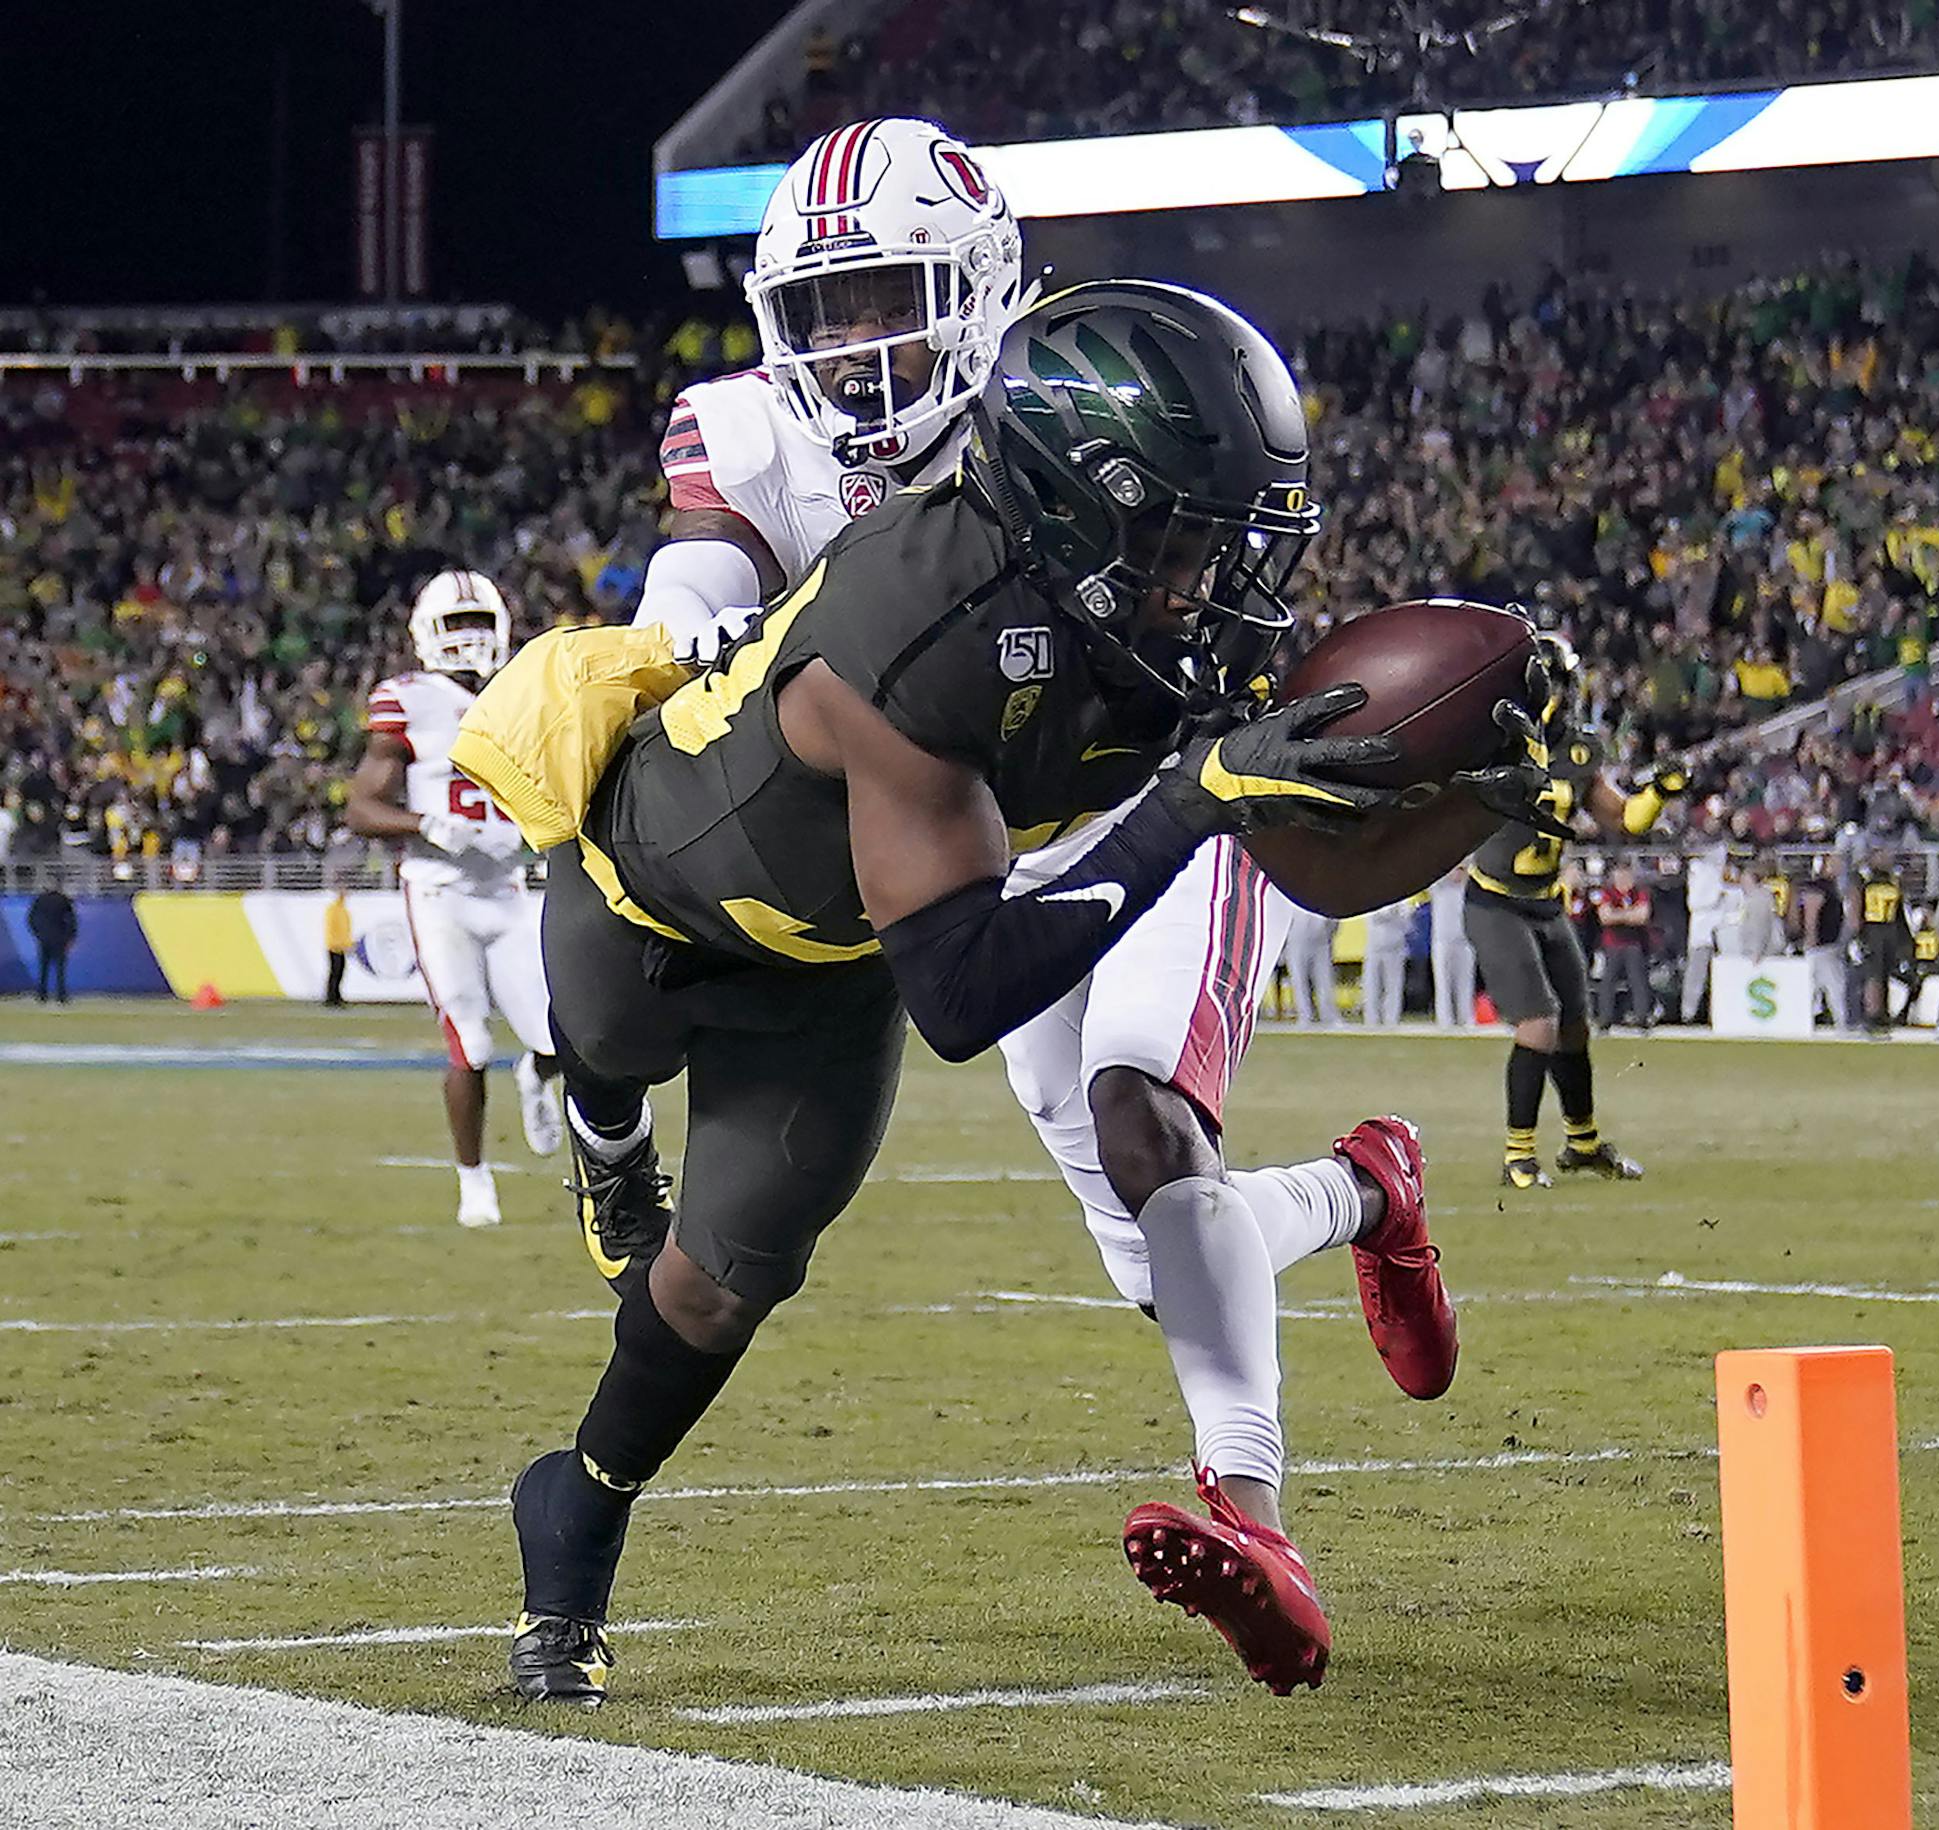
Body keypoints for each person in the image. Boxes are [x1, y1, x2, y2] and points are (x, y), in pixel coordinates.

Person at [452, 279, 1548, 1707]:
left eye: (1235, 542)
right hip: (648, 885)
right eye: (1184, 541)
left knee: (719, 1290)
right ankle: (606, 1142)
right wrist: (1194, 800)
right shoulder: (913, 628)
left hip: (838, 962)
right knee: (602, 1041)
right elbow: (965, 996)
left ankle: (576, 1510)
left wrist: (1469, 801)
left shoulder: (1137, 620)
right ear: (1080, 513)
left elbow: (1299, 852)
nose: (1215, 582)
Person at [345, 570, 565, 1229]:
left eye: (479, 623)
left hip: (509, 890)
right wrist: (426, 825)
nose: (470, 639)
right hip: (440, 892)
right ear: (426, 634)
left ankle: (536, 1073)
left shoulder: (523, 692)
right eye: (456, 625)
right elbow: (361, 807)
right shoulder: (408, 700)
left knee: (565, 1036)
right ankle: (475, 1181)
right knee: (469, 1041)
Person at [1463, 636, 1688, 1189]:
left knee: (1573, 1027)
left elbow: (1626, 819)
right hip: (1496, 899)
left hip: (1545, 902)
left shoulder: (1578, 749)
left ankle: (1582, 1143)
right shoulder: (1490, 742)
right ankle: (1519, 1155)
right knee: (1538, 1023)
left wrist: (1659, 792)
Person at [1591, 857, 1653, 1028]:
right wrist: (1629, 914)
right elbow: (1605, 917)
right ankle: (1605, 1018)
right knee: (1608, 982)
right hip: (1612, 944)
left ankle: (1641, 1017)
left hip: (1634, 943)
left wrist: (1618, 914)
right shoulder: (1607, 892)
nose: (1623, 877)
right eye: (1620, 873)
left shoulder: (1639, 891)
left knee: (1638, 980)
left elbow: (1642, 916)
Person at [1853, 851, 1907, 1033]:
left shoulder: (1892, 883)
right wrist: (1858, 934)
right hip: (1873, 929)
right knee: (1873, 974)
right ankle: (1872, 1013)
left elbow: (1899, 912)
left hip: (1888, 929)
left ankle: (1882, 1010)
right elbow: (1857, 908)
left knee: (1884, 974)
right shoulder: (1865, 882)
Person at [1681, 843, 1734, 1023]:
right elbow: (1695, 902)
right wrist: (1718, 894)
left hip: (1723, 927)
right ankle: (1689, 1013)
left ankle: (1721, 1011)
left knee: (1722, 974)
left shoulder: (1724, 872)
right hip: (1702, 929)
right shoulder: (1699, 869)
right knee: (1697, 973)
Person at [1797, 860, 1849, 1030]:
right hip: (1821, 948)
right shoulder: (1818, 888)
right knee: (1831, 986)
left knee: (1823, 986)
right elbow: (1811, 914)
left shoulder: (1831, 888)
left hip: (1828, 946)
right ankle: (1840, 1022)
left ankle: (1816, 1020)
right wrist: (1811, 938)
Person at [1429, 862, 1476, 1028]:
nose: (1458, 875)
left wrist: (1465, 868)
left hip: (1465, 940)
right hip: (1442, 940)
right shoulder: (1439, 887)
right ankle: (1444, 1020)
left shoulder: (1468, 889)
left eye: (1461, 871)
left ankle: (1466, 1018)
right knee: (1443, 983)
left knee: (1466, 983)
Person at [1280, 906, 1340, 1025]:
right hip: (1296, 940)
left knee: (1324, 980)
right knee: (1299, 981)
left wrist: (1329, 934)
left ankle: (1329, 1016)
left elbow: (1335, 917)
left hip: (1321, 941)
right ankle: (1305, 1016)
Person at [1361, 896, 1415, 1026]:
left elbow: (1408, 925)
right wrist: (1392, 913)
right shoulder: (1370, 897)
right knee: (1372, 986)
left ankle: (1391, 1020)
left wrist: (1398, 915)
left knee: (1394, 987)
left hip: (1395, 948)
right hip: (1374, 947)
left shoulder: (1402, 900)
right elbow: (1376, 916)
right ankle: (1371, 1020)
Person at [27, 885, 77, 1004]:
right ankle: (61, 996)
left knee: (43, 968)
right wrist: (70, 937)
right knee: (60, 969)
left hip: (44, 938)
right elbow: (71, 920)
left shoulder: (39, 900)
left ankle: (42, 995)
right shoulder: (63, 900)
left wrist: (38, 933)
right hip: (59, 938)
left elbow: (31, 918)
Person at [323, 889, 353, 1008]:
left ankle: (336, 995)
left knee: (339, 972)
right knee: (335, 972)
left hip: (340, 947)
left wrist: (347, 944)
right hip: (335, 946)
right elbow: (333, 929)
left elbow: (345, 930)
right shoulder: (334, 910)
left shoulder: (343, 910)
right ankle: (331, 997)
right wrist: (338, 943)